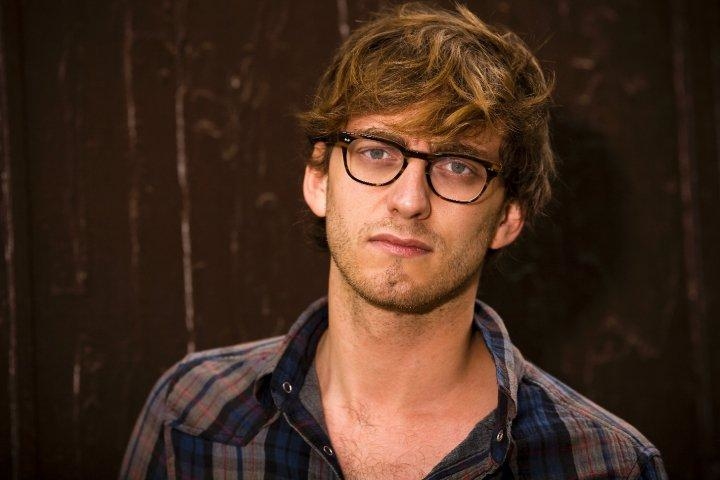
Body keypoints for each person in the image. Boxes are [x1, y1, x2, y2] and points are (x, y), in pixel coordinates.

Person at [120, 3, 666, 479]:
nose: (409, 201)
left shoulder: (606, 464)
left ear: (507, 217)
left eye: (458, 166)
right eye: (377, 152)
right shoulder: (191, 415)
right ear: (319, 180)